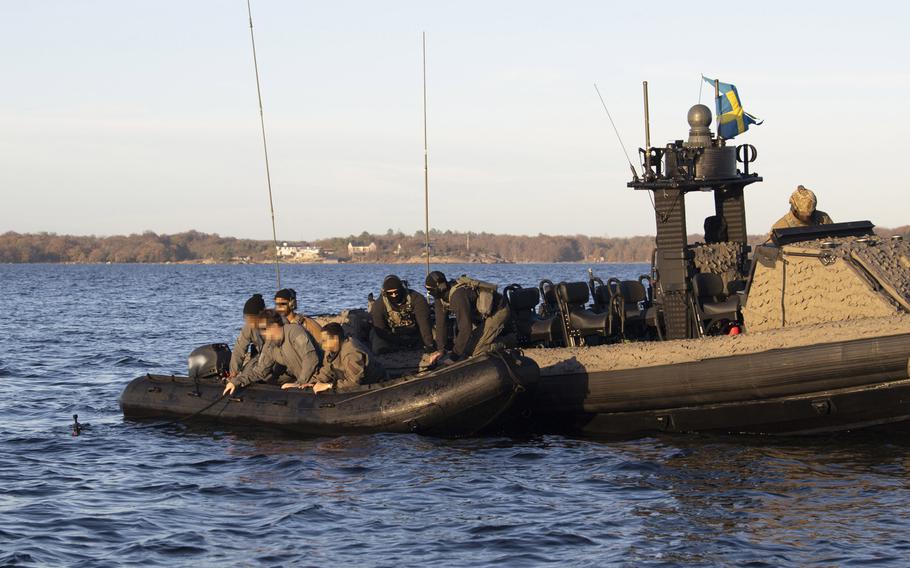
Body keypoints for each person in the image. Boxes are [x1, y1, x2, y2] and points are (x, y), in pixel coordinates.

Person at [223, 309, 321, 395]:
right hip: (305, 380)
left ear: (274, 326)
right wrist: (237, 381)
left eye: (264, 329)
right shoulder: (270, 345)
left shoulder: (294, 331)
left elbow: (311, 358)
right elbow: (260, 371)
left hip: (321, 376)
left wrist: (299, 383)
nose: (263, 334)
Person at [424, 270, 512, 365]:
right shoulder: (440, 299)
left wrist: (454, 357)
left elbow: (465, 329)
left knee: (477, 351)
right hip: (481, 315)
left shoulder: (458, 297)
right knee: (466, 349)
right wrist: (440, 350)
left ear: (438, 288)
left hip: (498, 310)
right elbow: (441, 324)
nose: (429, 293)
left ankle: (509, 340)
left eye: (430, 290)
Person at [283, 322, 386, 393]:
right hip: (349, 380)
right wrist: (308, 384)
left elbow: (354, 383)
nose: (322, 345)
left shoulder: (351, 352)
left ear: (335, 339)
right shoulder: (331, 351)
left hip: (375, 384)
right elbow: (326, 371)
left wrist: (329, 386)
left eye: (324, 341)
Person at [369, 274, 435, 354]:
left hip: (416, 332)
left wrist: (429, 345)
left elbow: (424, 324)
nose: (394, 295)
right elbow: (381, 330)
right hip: (391, 335)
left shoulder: (417, 298)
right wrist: (399, 341)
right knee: (379, 346)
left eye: (396, 292)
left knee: (434, 337)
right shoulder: (378, 305)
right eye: (390, 293)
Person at [228, 293, 265, 377]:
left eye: (252, 318)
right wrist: (233, 372)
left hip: (276, 360)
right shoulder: (249, 327)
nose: (249, 321)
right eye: (247, 318)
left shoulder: (275, 324)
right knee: (247, 371)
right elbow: (239, 349)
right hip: (260, 358)